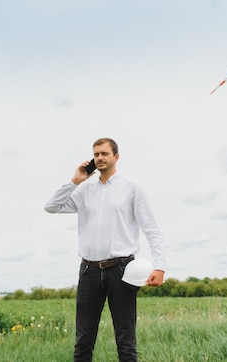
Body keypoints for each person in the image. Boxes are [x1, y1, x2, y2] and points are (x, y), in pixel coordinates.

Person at [44, 137, 166, 362]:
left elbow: (151, 228)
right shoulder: (84, 190)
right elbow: (52, 206)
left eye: (104, 154)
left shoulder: (132, 188)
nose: (99, 158)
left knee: (125, 340)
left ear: (116, 157)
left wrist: (160, 266)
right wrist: (74, 181)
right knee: (83, 340)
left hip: (122, 270)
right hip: (88, 272)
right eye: (96, 154)